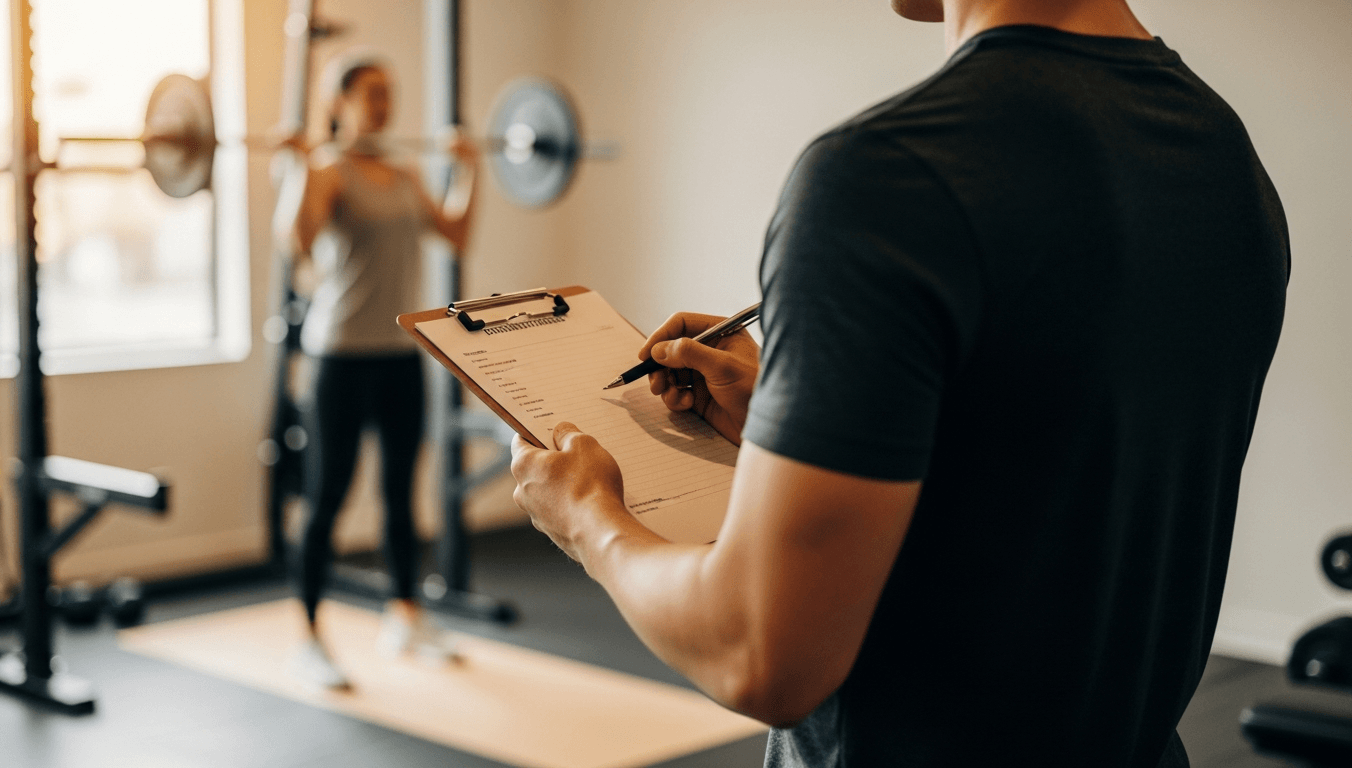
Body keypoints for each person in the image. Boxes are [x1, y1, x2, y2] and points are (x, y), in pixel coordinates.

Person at [509, 1, 1288, 766]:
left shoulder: (885, 176)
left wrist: (589, 518)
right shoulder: (1223, 153)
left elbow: (759, 651)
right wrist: (806, 420)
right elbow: (1041, 484)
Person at [284, 53, 478, 690]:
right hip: (338, 358)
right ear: (340, 104)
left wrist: (468, 170)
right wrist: (295, 171)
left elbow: (453, 233)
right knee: (327, 501)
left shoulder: (402, 175)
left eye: (389, 94)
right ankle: (311, 636)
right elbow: (299, 243)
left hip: (400, 358)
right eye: (371, 94)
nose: (384, 106)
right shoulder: (328, 170)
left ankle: (406, 615)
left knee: (400, 495)